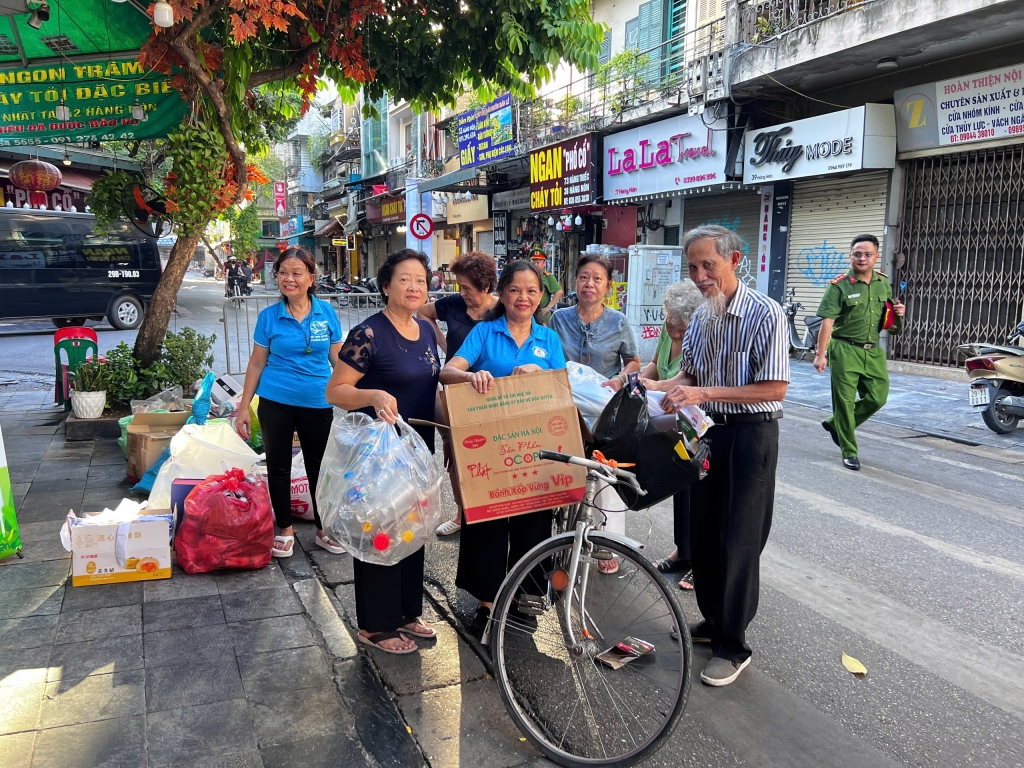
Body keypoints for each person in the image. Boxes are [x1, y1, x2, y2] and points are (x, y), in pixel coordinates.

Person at [646, 225, 789, 687]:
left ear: (734, 261)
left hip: (750, 436)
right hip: (706, 434)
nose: (701, 274)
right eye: (693, 266)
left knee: (739, 538)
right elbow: (691, 371)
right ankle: (712, 622)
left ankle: (734, 644)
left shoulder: (767, 314)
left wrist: (702, 391)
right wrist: (657, 386)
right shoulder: (703, 317)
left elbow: (773, 388)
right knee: (704, 532)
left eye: (708, 264)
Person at [439, 260, 567, 636]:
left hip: (536, 445)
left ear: (541, 296)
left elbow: (563, 385)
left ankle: (525, 600)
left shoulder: (549, 340)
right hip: (490, 446)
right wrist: (471, 374)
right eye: (515, 290)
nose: (522, 297)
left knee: (533, 523)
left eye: (531, 291)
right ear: (503, 293)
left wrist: (541, 374)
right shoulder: (484, 332)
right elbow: (448, 371)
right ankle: (487, 602)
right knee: (490, 520)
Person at [325, 249, 441, 655]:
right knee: (378, 532)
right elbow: (335, 391)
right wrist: (373, 394)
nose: (414, 287)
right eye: (405, 279)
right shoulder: (368, 334)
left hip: (417, 451)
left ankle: (407, 612)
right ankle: (375, 625)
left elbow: (427, 388)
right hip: (379, 455)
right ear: (387, 285)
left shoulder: (425, 330)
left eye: (421, 280)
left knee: (413, 529)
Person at [234, 247, 344, 561]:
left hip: (317, 400)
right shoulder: (270, 317)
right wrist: (244, 407)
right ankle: (285, 529)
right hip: (276, 401)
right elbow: (256, 364)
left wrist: (358, 390)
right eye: (283, 272)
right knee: (279, 467)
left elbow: (337, 358)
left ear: (311, 278)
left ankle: (324, 529)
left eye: (296, 273)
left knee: (321, 468)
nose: (288, 279)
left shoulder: (327, 313)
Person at [550, 252, 639, 573]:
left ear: (608, 286)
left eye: (597, 279)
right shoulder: (559, 319)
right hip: (565, 406)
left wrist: (618, 379)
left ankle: (608, 544)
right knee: (565, 473)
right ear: (574, 282)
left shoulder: (618, 321)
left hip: (604, 410)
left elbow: (633, 362)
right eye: (584, 277)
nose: (589, 284)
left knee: (605, 477)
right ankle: (561, 540)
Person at [417, 251, 499, 537]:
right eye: (459, 286)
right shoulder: (453, 304)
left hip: (490, 396)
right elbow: (423, 312)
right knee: (453, 453)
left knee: (490, 456)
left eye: (467, 288)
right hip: (453, 390)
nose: (461, 292)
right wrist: (440, 341)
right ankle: (462, 513)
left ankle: (491, 511)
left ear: (486, 286)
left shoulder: (499, 312)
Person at [814, 234, 905, 471]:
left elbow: (888, 318)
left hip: (873, 351)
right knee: (844, 402)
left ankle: (836, 425)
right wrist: (820, 354)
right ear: (850, 256)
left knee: (878, 397)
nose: (862, 258)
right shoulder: (840, 285)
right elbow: (827, 322)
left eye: (867, 254)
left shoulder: (883, 283)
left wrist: (898, 315)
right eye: (857, 254)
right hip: (844, 349)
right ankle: (849, 450)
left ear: (876, 257)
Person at [641, 279, 703, 591]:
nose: (676, 333)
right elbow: (655, 365)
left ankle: (703, 564)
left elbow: (690, 379)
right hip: (670, 419)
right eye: (672, 325)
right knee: (681, 484)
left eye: (682, 329)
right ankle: (684, 551)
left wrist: (656, 387)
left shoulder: (702, 334)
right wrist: (636, 381)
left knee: (702, 490)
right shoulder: (668, 329)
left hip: (698, 420)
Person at [529, 250, 563, 323]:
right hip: (529, 313)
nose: (535, 264)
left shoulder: (547, 277)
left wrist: (548, 308)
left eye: (538, 262)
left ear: (544, 263)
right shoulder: (528, 276)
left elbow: (559, 292)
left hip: (542, 314)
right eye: (533, 262)